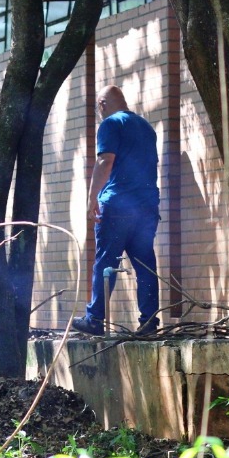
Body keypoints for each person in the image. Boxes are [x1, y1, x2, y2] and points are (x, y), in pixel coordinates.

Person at [73, 85, 160, 336]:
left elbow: (105, 160)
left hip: (118, 206)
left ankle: (95, 320)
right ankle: (149, 322)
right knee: (145, 265)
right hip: (146, 207)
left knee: (105, 263)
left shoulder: (111, 123)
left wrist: (92, 198)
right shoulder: (146, 127)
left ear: (102, 104)